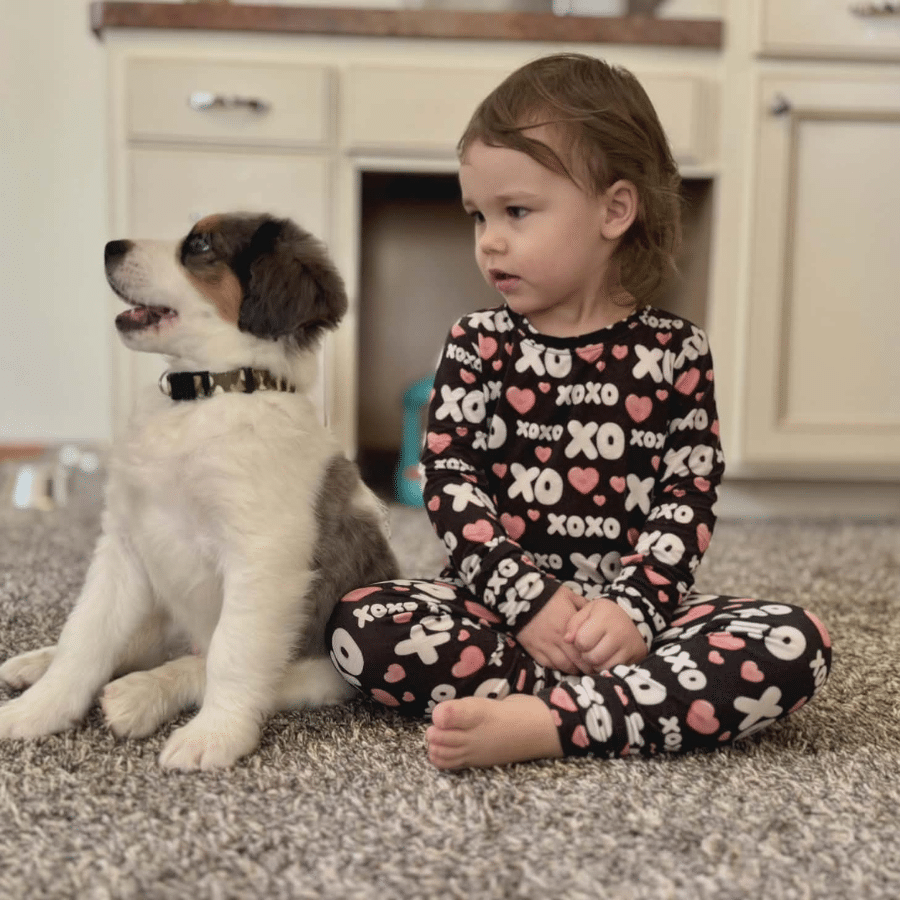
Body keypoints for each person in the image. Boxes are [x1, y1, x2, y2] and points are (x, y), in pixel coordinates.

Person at [326, 53, 832, 769]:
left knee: (795, 642)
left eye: (517, 211)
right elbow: (449, 481)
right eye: (478, 216)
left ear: (614, 210)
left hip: (636, 621)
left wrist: (633, 610)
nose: (489, 240)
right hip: (498, 608)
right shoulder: (477, 343)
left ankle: (549, 720)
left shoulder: (677, 352)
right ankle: (616, 706)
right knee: (361, 625)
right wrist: (528, 601)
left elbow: (686, 497)